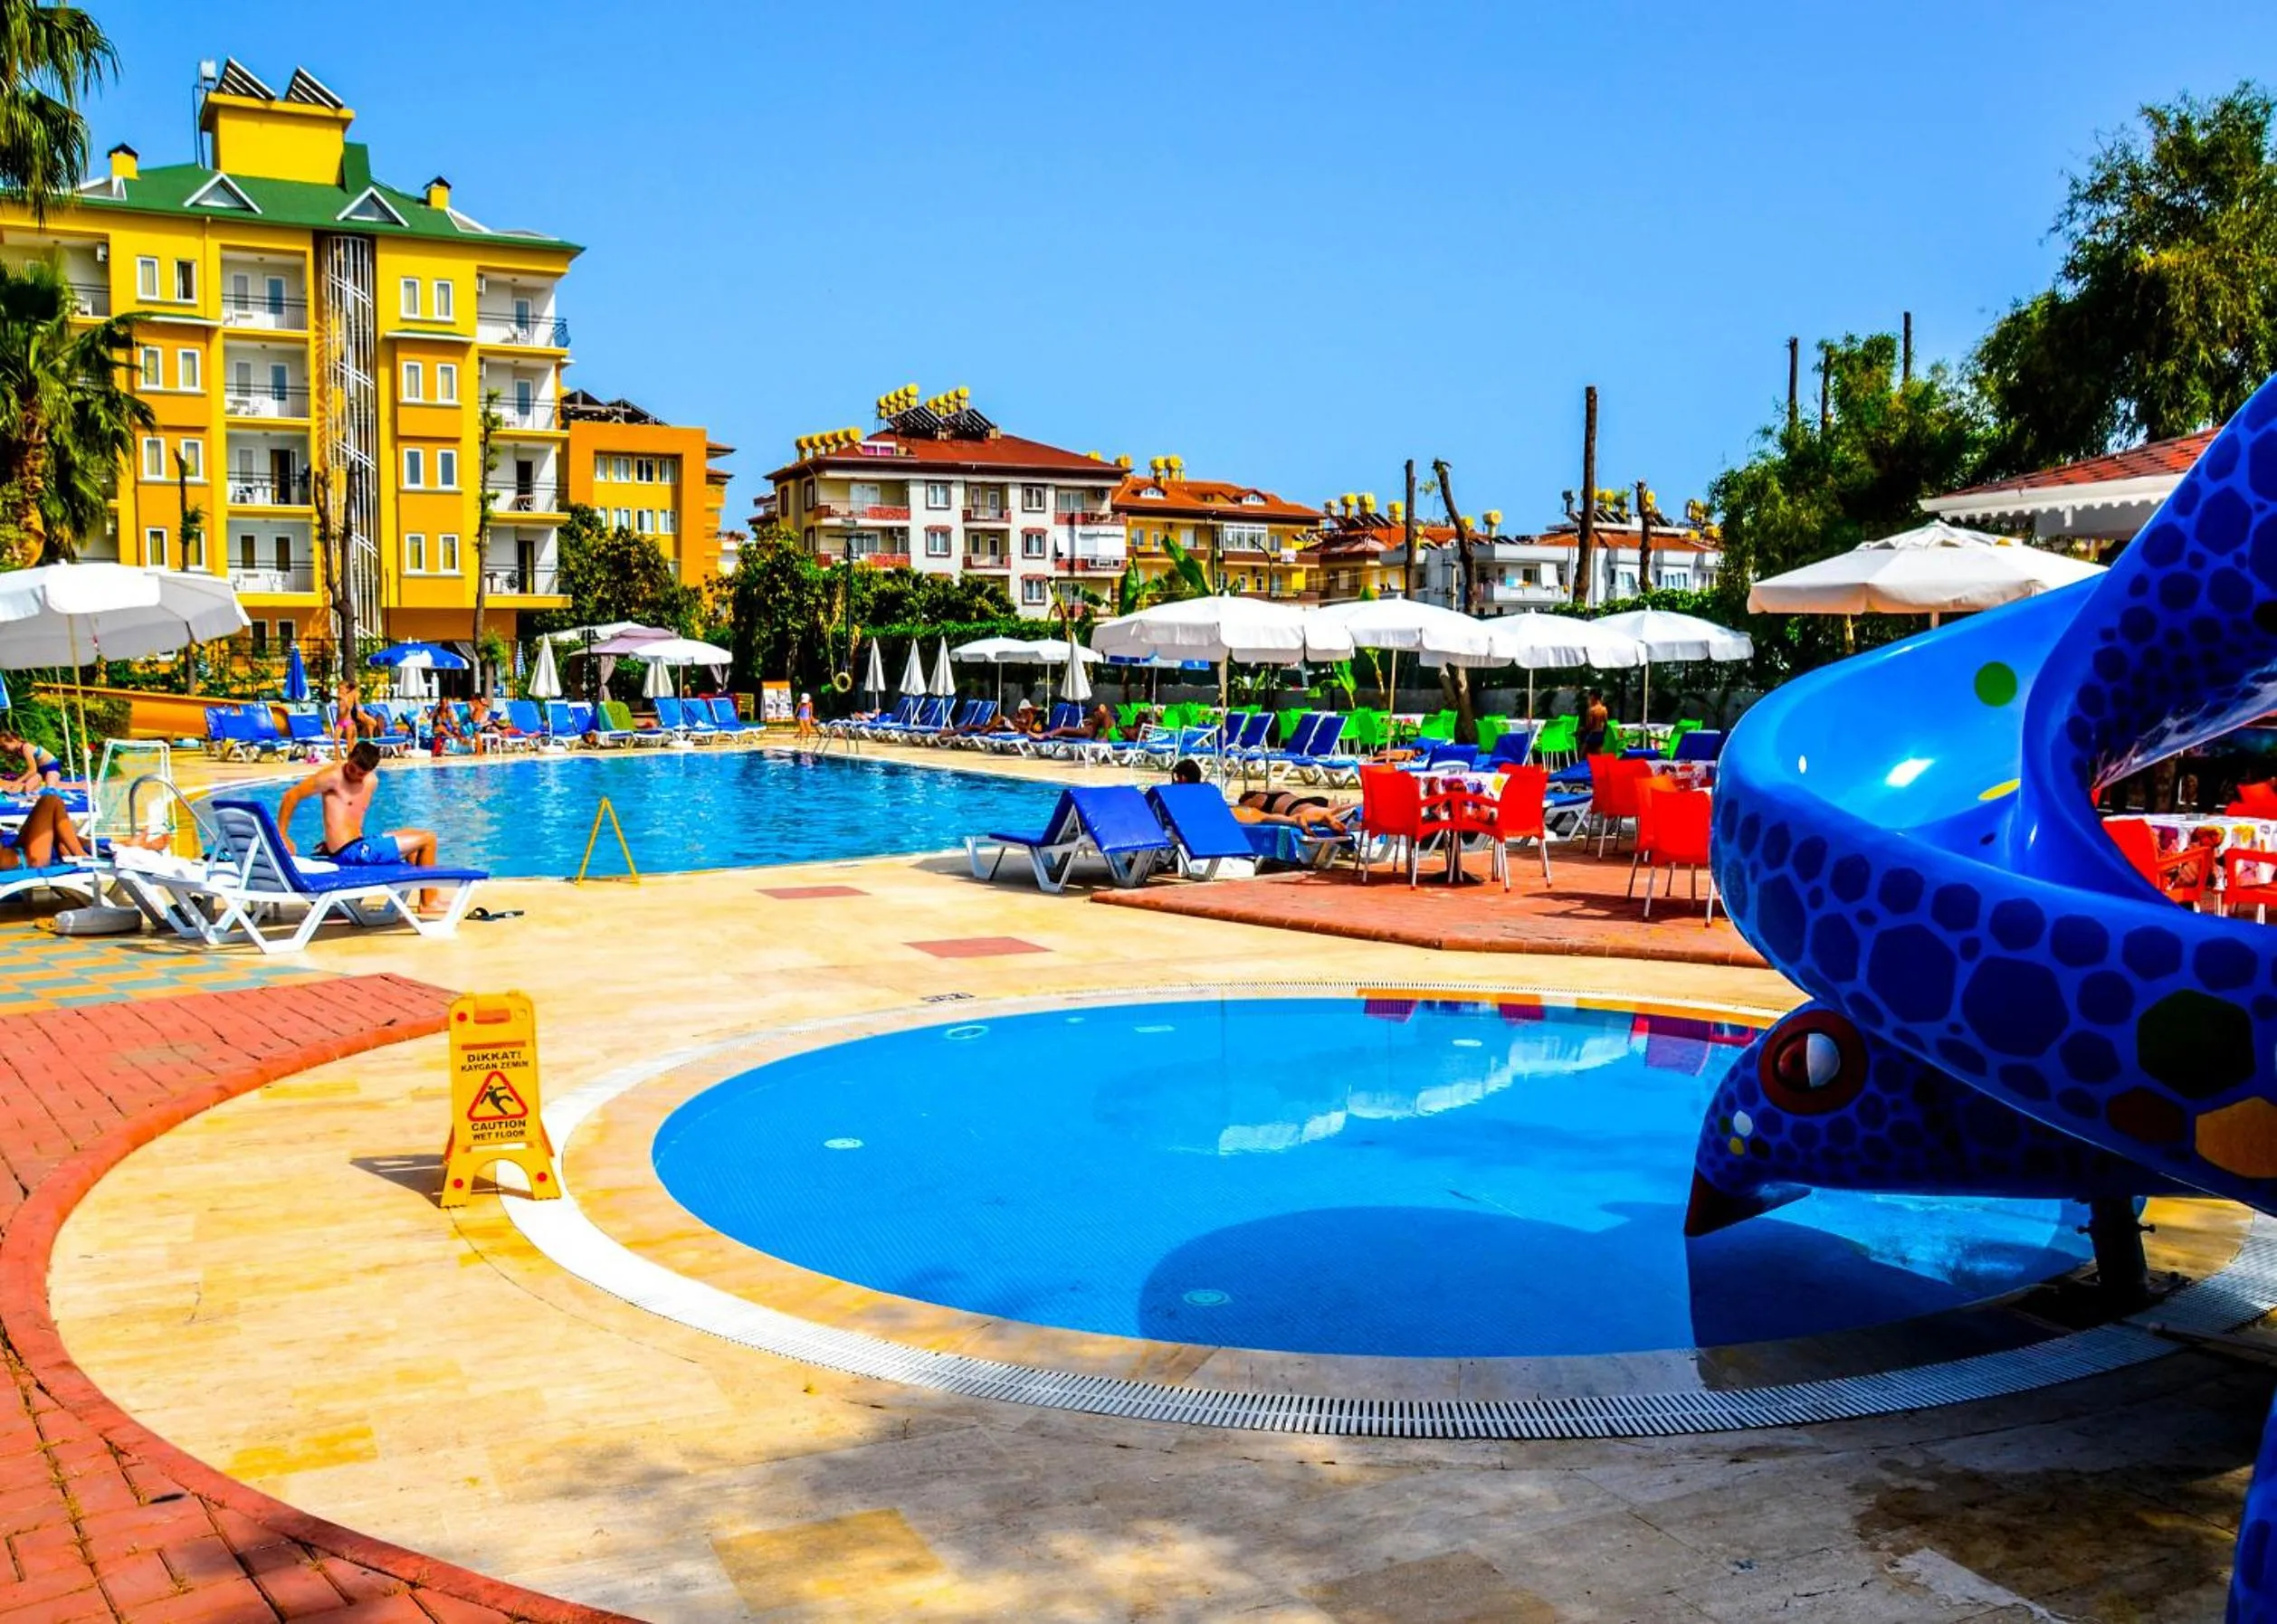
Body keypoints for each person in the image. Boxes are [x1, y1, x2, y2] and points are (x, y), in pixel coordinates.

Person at [275, 741, 449, 916]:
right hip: (351, 852)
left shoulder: (371, 781)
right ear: (349, 757)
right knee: (429, 838)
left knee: (414, 840)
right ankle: (428, 901)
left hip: (359, 846)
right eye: (352, 769)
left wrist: (332, 839)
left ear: (371, 770)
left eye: (361, 773)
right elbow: (291, 796)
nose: (355, 775)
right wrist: (282, 835)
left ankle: (425, 892)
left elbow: (351, 816)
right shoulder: (333, 777)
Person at [0, 729, 65, 794]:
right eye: (1, 748)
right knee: (28, 789)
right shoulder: (18, 751)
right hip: (40, 771)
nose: (3, 749)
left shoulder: (26, 747)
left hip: (52, 768)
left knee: (50, 790)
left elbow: (32, 770)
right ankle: (39, 791)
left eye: (4, 746)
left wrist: (17, 782)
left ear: (14, 741)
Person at [1578, 689, 1610, 756]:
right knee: (1599, 756)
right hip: (1600, 735)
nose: (1589, 699)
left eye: (1589, 697)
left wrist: (1580, 730)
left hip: (1592, 735)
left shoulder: (1591, 710)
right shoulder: (1604, 709)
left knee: (1582, 755)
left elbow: (1589, 726)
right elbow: (1606, 724)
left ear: (1592, 697)